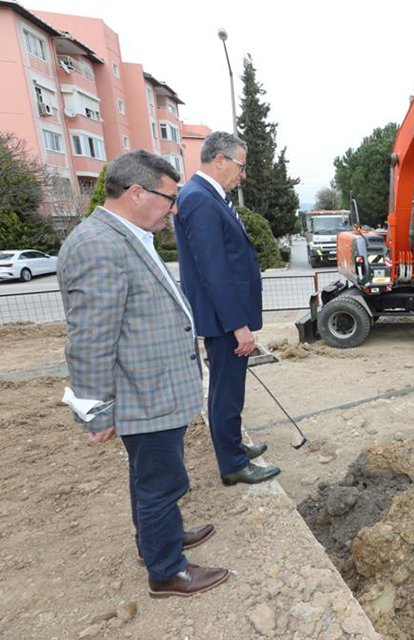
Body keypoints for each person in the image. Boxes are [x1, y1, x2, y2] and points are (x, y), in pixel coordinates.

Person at [58, 151, 229, 597]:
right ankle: (167, 570)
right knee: (161, 482)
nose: (174, 207)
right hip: (143, 395)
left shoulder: (126, 235)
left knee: (150, 478)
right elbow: (91, 338)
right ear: (137, 193)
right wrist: (95, 412)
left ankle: (157, 541)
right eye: (169, 198)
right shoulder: (99, 245)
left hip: (154, 389)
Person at [175, 131, 280, 486]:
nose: (243, 174)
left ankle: (232, 446)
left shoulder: (205, 196)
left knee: (228, 389)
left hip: (224, 317)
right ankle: (233, 463)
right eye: (241, 165)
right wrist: (238, 325)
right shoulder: (200, 199)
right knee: (226, 391)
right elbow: (213, 269)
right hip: (224, 321)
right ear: (220, 159)